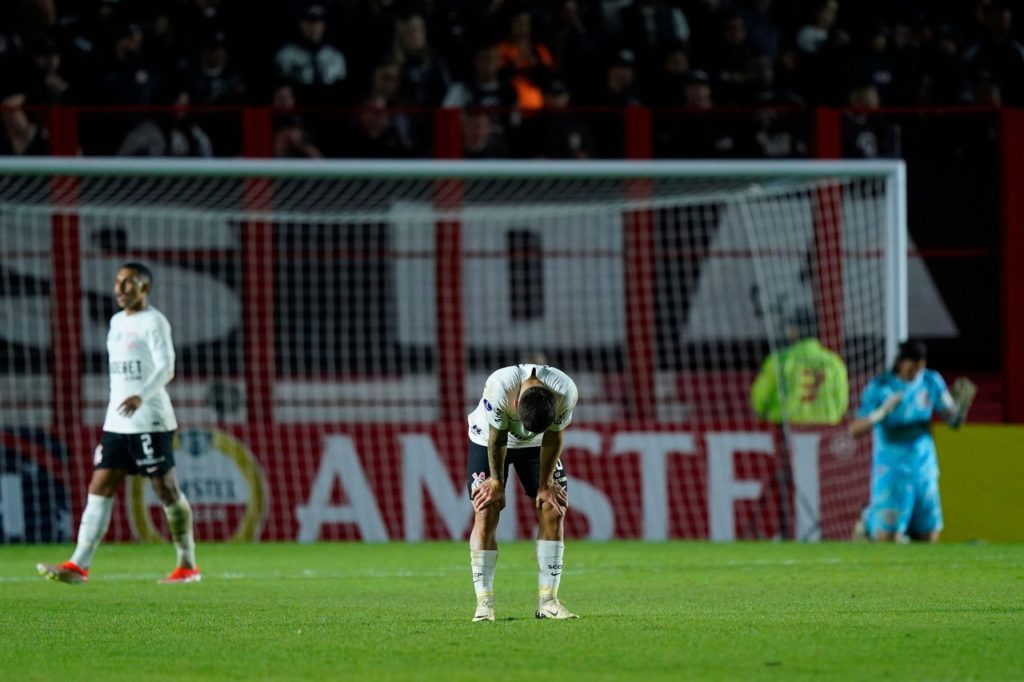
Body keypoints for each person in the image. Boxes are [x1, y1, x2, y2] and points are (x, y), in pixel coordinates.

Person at [38, 263, 199, 584]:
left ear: (145, 289)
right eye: (118, 282)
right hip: (117, 422)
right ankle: (78, 565)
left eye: (129, 283)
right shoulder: (115, 322)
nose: (120, 289)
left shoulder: (154, 321)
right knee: (100, 485)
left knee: (165, 489)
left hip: (150, 420)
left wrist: (141, 395)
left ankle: (187, 565)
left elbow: (167, 367)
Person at [466, 363, 578, 622]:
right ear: (515, 403)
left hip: (538, 445)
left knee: (553, 507)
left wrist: (545, 484)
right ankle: (485, 604)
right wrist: (495, 482)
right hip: (488, 439)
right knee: (486, 508)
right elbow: (498, 437)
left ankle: (548, 601)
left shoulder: (566, 391)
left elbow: (553, 436)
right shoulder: (500, 386)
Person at [849, 340, 977, 543]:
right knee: (887, 538)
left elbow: (953, 422)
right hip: (892, 470)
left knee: (929, 535)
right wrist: (880, 413)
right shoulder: (881, 387)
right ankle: (868, 520)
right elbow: (854, 429)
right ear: (900, 362)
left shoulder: (930, 381)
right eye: (912, 366)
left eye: (920, 366)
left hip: (923, 468)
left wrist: (961, 409)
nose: (916, 372)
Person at [751, 309, 849, 426]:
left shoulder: (779, 361)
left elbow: (759, 399)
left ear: (795, 330)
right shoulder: (834, 362)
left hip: (786, 432)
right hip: (825, 432)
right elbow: (841, 403)